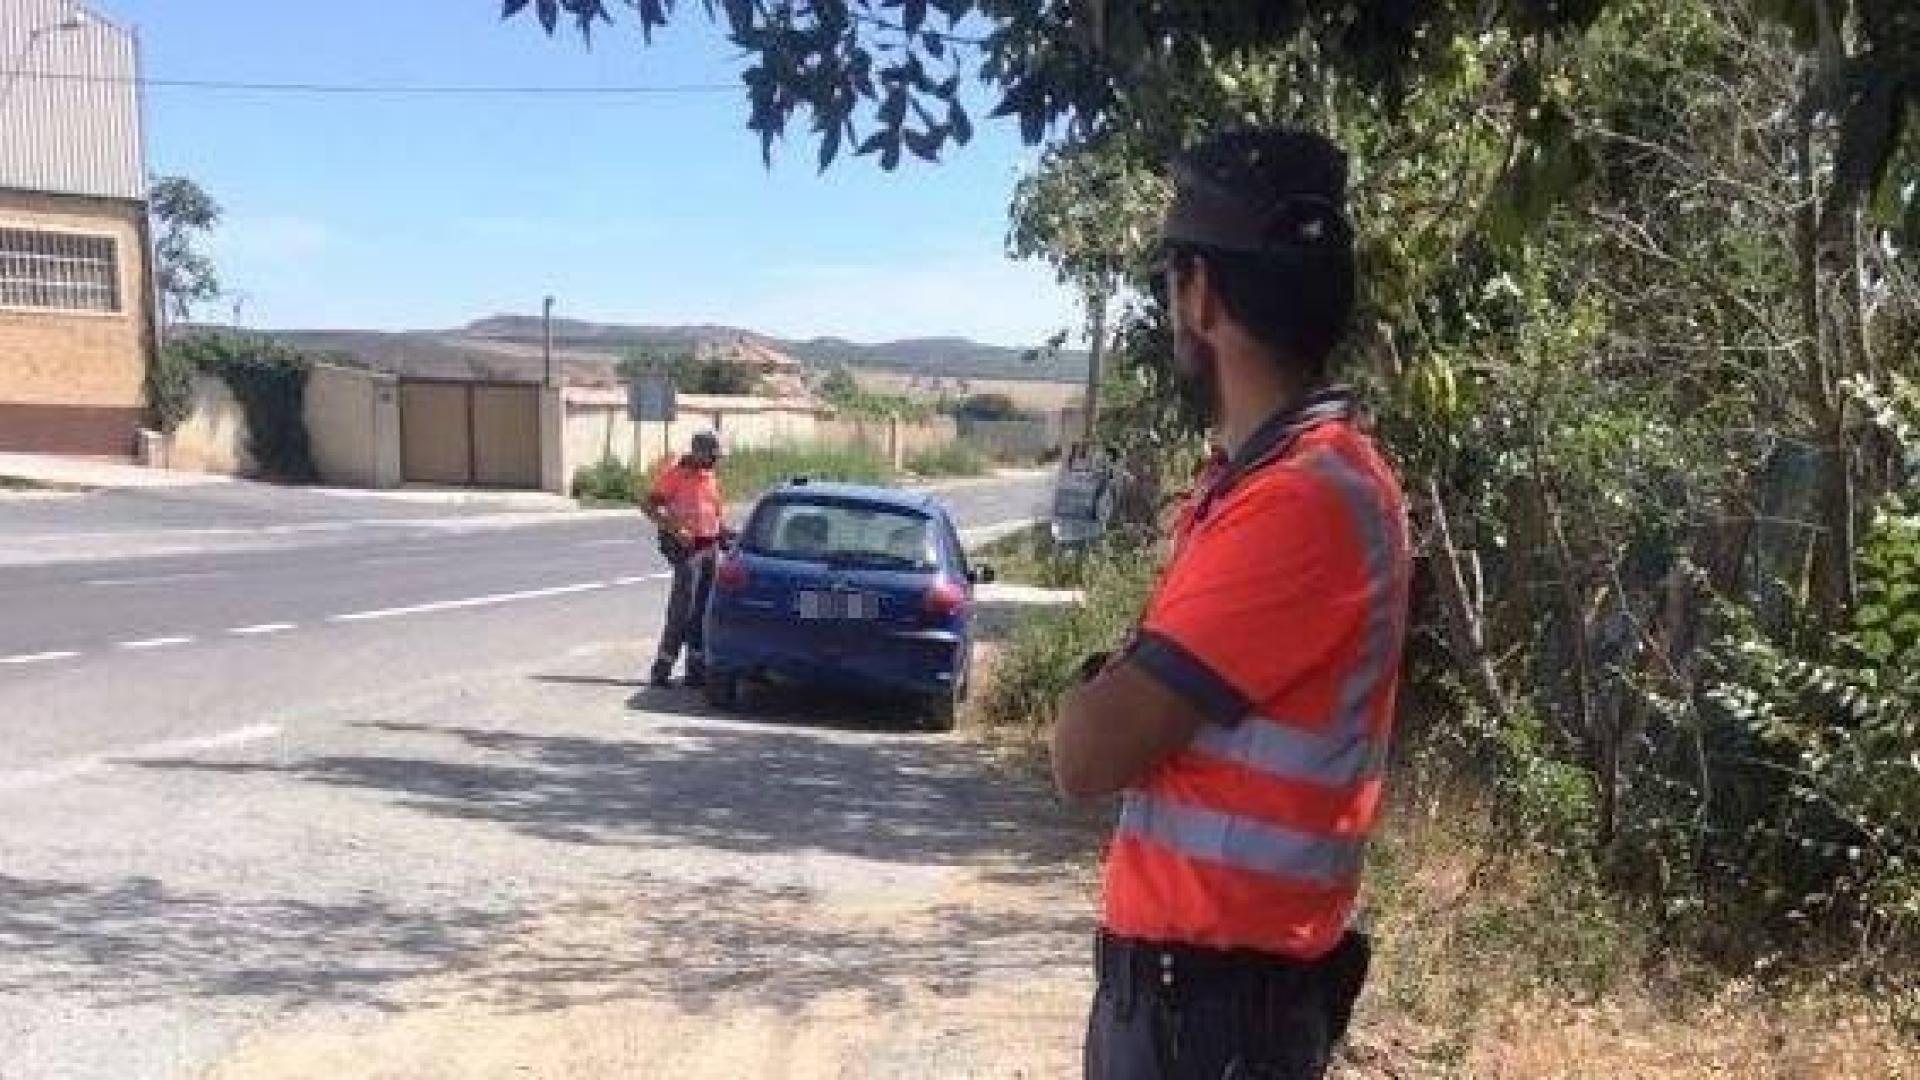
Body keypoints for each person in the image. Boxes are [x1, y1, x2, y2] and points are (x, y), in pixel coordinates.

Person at [1050, 128, 1414, 1080]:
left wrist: (1104, 683)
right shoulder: (1275, 483)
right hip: (1207, 1009)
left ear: (1200, 293)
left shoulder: (1301, 500)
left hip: (1213, 1022)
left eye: (1172, 284)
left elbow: (1086, 754)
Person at [645, 430, 727, 688]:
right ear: (699, 453)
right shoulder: (675, 475)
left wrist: (726, 534)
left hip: (710, 548)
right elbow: (650, 506)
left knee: (703, 612)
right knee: (682, 611)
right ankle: (662, 669)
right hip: (687, 550)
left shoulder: (710, 476)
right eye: (712, 456)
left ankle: (695, 670)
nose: (716, 461)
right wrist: (676, 529)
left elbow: (715, 513)